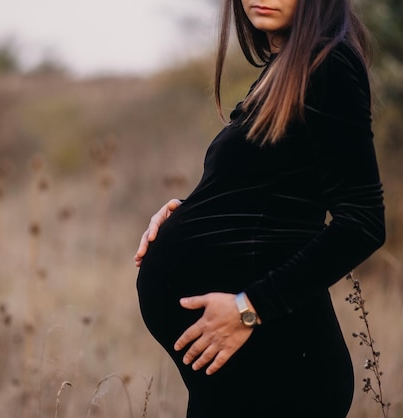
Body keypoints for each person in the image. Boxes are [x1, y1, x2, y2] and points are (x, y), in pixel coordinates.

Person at [134, 0, 385, 417]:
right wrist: (191, 206)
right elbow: (278, 190)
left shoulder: (330, 64)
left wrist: (249, 309)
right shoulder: (289, 66)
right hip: (248, 374)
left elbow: (363, 221)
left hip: (281, 370)